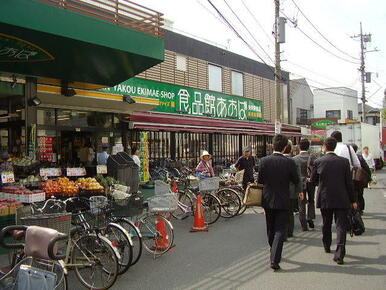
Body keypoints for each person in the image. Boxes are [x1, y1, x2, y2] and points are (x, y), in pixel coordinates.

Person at [310, 137, 357, 265]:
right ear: (335, 146)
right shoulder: (344, 162)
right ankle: (340, 253)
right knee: (341, 225)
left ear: (324, 147)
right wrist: (353, 200)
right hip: (342, 197)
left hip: (325, 197)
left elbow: (313, 180)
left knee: (326, 222)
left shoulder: (319, 161)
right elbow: (349, 183)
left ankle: (326, 245)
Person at [258, 134, 300, 271]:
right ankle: (275, 258)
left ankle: (272, 249)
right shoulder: (290, 162)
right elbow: (296, 180)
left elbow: (260, 181)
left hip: (268, 199)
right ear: (284, 147)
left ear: (273, 146)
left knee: (270, 228)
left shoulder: (264, 161)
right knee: (280, 229)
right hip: (283, 199)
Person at [293, 138, 317, 231]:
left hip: (300, 183)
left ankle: (303, 224)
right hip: (310, 181)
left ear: (299, 146)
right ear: (308, 147)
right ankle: (310, 217)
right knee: (311, 200)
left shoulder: (295, 159)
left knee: (301, 203)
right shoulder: (313, 157)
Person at [283, 142, 302, 240]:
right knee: (290, 212)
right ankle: (289, 231)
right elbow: (297, 178)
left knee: (281, 212)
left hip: (279, 192)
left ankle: (282, 232)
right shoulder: (294, 161)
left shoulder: (275, 160)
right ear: (290, 150)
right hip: (291, 191)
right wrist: (300, 191)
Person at [352, 144, 371, 213]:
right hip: (359, 179)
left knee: (352, 194)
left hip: (351, 179)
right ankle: (360, 209)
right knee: (360, 194)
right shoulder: (359, 157)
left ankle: (354, 209)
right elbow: (366, 167)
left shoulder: (347, 157)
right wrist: (369, 178)